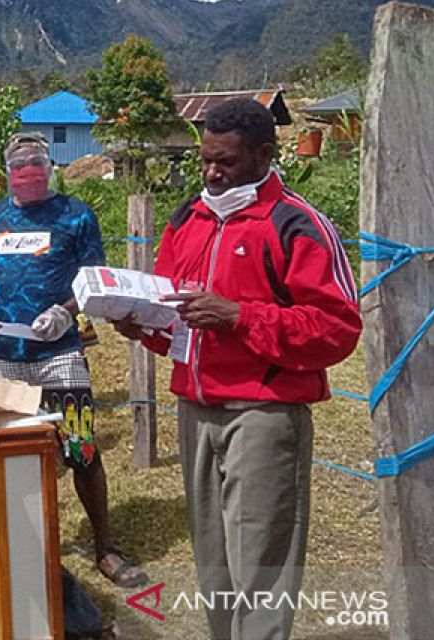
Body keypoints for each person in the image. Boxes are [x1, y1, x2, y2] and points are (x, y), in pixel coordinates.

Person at [114, 97, 361, 640]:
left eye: (224, 162)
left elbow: (337, 330)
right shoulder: (189, 217)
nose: (210, 172)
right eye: (205, 159)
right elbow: (178, 323)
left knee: (261, 562)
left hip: (263, 411)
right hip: (195, 407)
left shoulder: (298, 224)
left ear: (264, 156)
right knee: (214, 562)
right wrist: (141, 323)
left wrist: (239, 317)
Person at [0, 132, 146, 588]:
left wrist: (65, 313)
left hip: (59, 354)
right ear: (7, 174)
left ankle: (104, 546)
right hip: (7, 357)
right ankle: (19, 543)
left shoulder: (76, 216)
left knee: (81, 447)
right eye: (18, 170)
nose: (27, 176)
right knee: (10, 454)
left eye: (35, 168)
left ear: (49, 170)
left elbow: (93, 280)